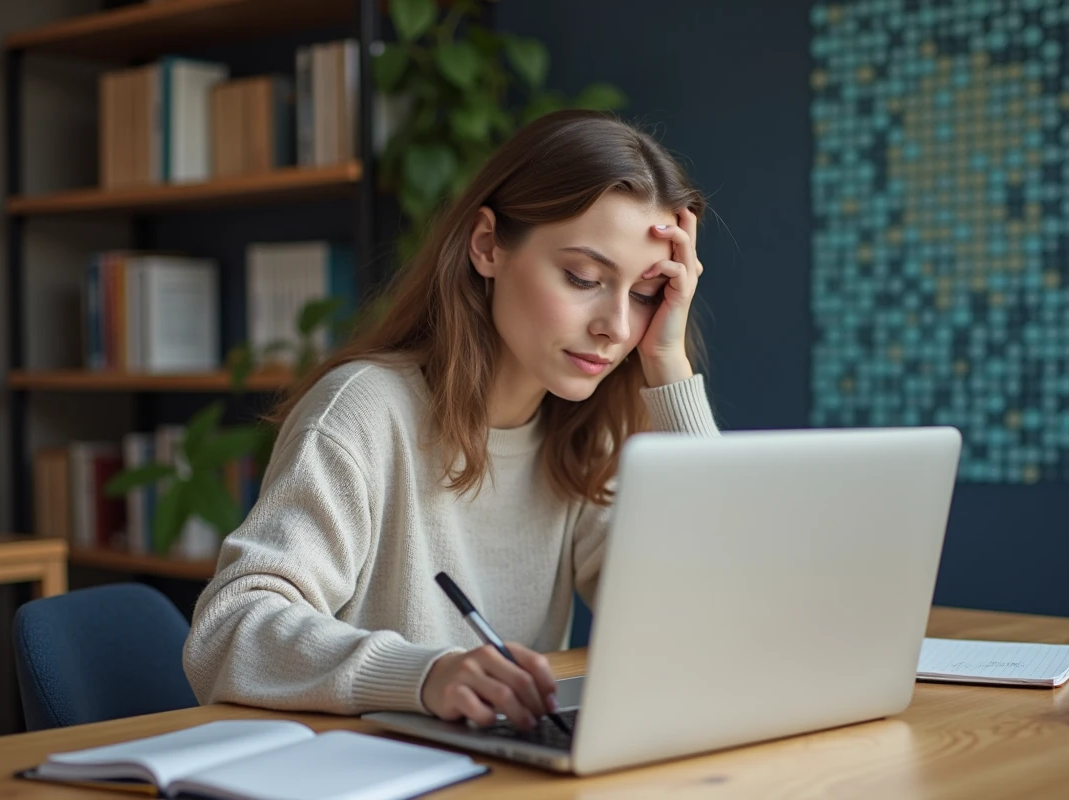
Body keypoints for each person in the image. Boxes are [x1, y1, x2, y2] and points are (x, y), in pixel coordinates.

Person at [182, 110, 720, 733]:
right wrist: (425, 676)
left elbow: (709, 618)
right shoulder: (363, 411)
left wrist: (669, 366)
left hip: (495, 768)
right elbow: (227, 629)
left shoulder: (586, 432)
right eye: (584, 278)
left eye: (646, 293)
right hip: (364, 770)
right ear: (488, 245)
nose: (618, 327)